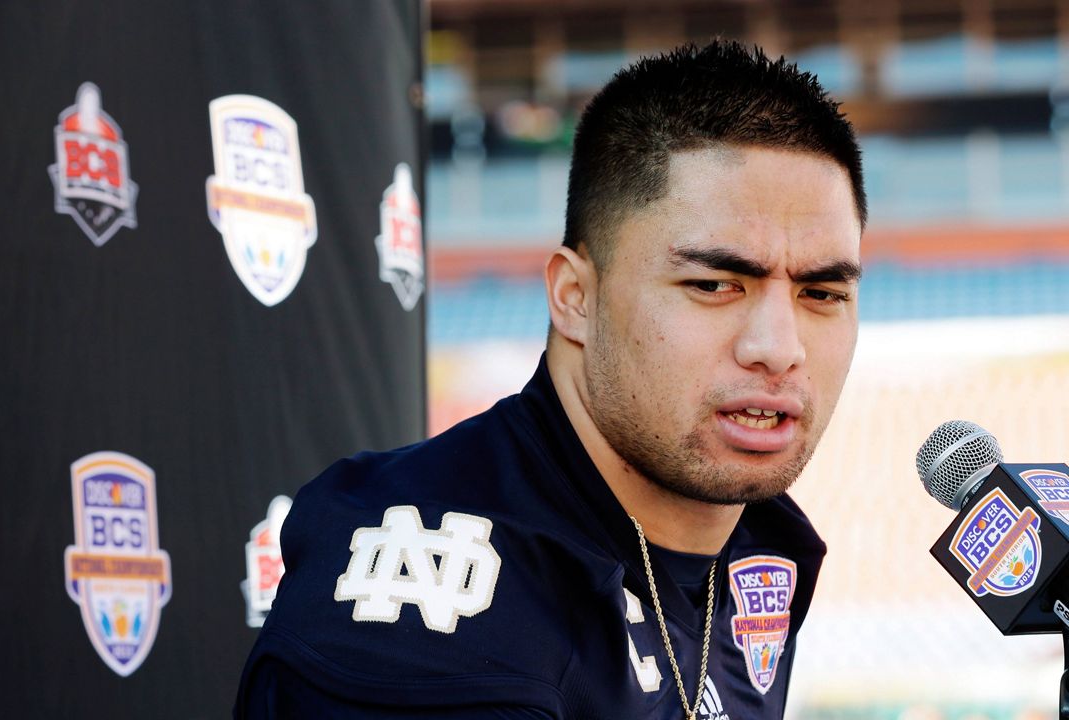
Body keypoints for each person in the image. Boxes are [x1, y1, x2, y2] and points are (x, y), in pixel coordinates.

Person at [235, 39, 865, 719]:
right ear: (574, 298)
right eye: (713, 284)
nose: (779, 348)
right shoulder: (435, 607)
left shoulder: (756, 548)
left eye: (822, 294)